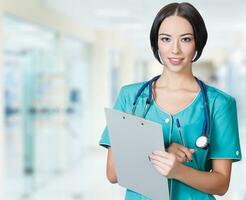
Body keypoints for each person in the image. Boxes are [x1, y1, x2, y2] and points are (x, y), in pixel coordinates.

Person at [99, 2, 242, 200]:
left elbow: (221, 184)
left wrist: (177, 170)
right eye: (166, 39)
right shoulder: (130, 97)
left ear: (197, 43)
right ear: (156, 43)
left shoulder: (220, 103)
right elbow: (113, 173)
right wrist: (162, 153)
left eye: (185, 39)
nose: (175, 49)